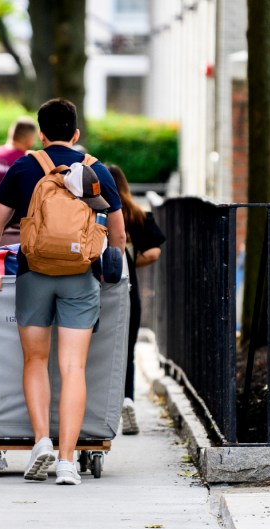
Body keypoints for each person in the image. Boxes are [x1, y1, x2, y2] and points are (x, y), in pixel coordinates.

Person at [0, 98, 127, 485]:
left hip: (33, 273)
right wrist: (110, 269)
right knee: (73, 367)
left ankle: (41, 440)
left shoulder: (25, 166)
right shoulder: (96, 170)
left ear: (41, 134)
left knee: (35, 361)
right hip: (81, 274)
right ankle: (66, 462)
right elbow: (118, 233)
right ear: (76, 133)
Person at [107, 165, 165, 435]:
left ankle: (98, 408)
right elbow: (153, 252)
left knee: (92, 351)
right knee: (125, 351)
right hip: (126, 290)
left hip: (93, 287)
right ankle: (127, 400)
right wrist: (129, 262)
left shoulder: (95, 210)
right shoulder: (136, 214)